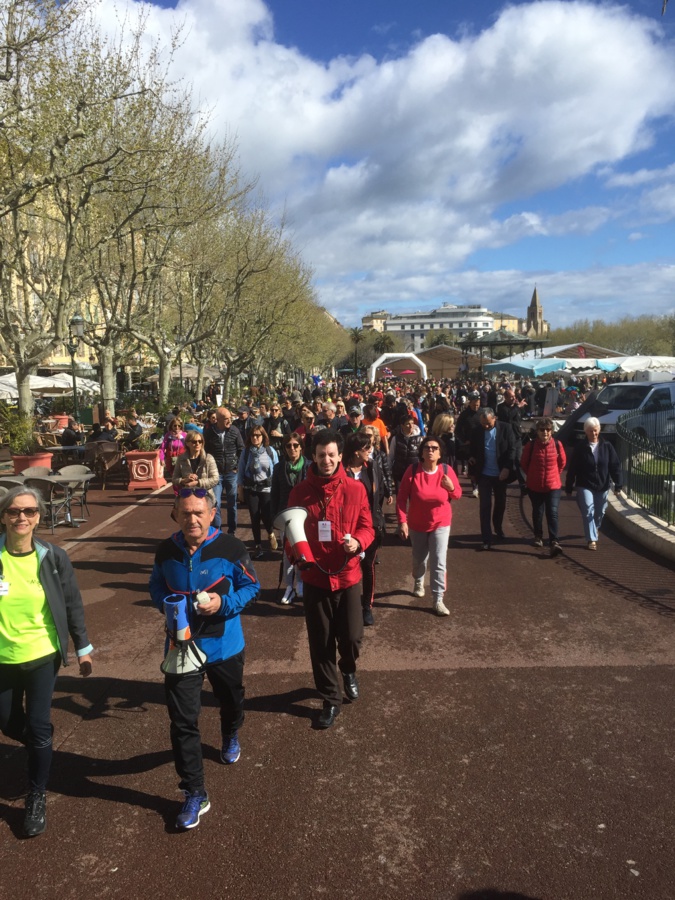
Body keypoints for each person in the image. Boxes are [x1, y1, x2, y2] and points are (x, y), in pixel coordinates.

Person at [149, 490, 259, 830]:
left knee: (230, 699)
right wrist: (166, 608)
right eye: (185, 514)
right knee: (182, 721)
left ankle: (230, 733)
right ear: (175, 516)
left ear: (212, 514)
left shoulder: (230, 548)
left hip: (224, 646)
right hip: (182, 648)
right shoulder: (166, 550)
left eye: (198, 513)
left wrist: (222, 605)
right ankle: (194, 792)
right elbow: (155, 586)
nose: (192, 520)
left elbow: (252, 586)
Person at [0, 486, 93, 837]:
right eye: (13, 511)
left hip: (41, 654)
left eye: (29, 511)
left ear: (39, 516)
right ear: (3, 516)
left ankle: (35, 794)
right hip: (2, 658)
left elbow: (71, 603)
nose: (21, 518)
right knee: (8, 724)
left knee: (38, 727)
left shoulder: (53, 557)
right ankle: (42, 743)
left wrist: (82, 645)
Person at [287, 431, 374, 729]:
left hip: (348, 575)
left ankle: (348, 669)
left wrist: (359, 543)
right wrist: (295, 555)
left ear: (340, 456)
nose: (326, 460)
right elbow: (290, 533)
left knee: (351, 638)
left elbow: (367, 526)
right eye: (321, 454)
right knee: (320, 643)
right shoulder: (299, 492)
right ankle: (330, 699)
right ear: (314, 456)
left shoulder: (355, 489)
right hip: (315, 579)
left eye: (331, 454)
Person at [396, 435, 462, 617]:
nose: (430, 450)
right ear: (422, 452)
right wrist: (402, 521)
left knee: (439, 560)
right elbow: (401, 499)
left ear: (440, 453)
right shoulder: (413, 470)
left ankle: (438, 598)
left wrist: (451, 488)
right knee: (419, 558)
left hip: (441, 522)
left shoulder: (447, 471)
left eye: (434, 448)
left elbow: (457, 495)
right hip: (417, 524)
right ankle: (418, 578)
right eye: (427, 448)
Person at [344, 432, 393, 626]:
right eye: (367, 448)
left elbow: (378, 495)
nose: (371, 451)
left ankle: (367, 607)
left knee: (368, 567)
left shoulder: (373, 467)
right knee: (347, 566)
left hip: (369, 527)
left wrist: (376, 521)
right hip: (347, 529)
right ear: (356, 451)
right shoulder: (342, 470)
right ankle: (347, 605)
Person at [565, 417, 623, 550]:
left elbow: (615, 466)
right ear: (586, 432)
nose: (594, 434)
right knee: (588, 510)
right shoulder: (580, 447)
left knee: (600, 512)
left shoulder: (607, 446)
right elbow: (573, 467)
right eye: (590, 431)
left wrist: (618, 485)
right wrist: (569, 486)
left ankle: (595, 528)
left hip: (602, 485)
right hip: (585, 484)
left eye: (596, 431)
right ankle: (591, 539)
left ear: (599, 430)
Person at [469, 408, 516, 551]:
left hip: (501, 474)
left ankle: (498, 526)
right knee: (485, 506)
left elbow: (512, 449)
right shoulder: (477, 431)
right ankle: (486, 538)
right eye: (483, 424)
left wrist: (507, 468)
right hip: (484, 475)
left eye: (488, 424)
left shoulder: (506, 428)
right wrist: (471, 458)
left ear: (494, 418)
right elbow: (472, 450)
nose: (486, 426)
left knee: (500, 504)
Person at [270, 433, 309, 604]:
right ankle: (288, 586)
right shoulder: (279, 468)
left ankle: (300, 583)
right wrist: (272, 522)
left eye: (295, 445)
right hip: (284, 516)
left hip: (305, 517)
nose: (292, 448)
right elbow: (274, 495)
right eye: (288, 446)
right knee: (287, 554)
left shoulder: (309, 466)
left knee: (302, 552)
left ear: (301, 446)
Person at [520, 418, 566, 556]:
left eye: (548, 430)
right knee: (538, 512)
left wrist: (554, 475)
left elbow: (562, 463)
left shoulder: (558, 444)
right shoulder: (531, 445)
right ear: (537, 431)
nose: (545, 432)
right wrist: (533, 475)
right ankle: (538, 536)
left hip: (553, 486)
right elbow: (524, 463)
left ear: (551, 431)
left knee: (552, 512)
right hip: (535, 486)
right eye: (542, 430)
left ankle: (554, 541)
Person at [237, 425, 279, 559]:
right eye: (253, 435)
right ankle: (258, 546)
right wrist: (240, 489)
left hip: (267, 489)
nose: (255, 438)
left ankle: (270, 532)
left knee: (266, 515)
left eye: (258, 435)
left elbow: (276, 469)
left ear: (263, 437)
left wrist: (277, 488)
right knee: (254, 516)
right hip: (251, 489)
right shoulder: (246, 452)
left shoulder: (270, 451)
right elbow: (241, 469)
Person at [203, 407, 244, 533]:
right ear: (218, 420)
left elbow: (241, 448)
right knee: (216, 503)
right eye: (226, 419)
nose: (229, 421)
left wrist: (237, 466)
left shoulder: (234, 431)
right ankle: (217, 531)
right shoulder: (209, 433)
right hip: (216, 474)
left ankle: (232, 530)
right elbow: (205, 451)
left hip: (231, 473)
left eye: (230, 418)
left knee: (232, 504)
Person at [172, 432, 220, 500]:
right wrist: (184, 480)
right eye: (194, 441)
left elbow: (215, 479)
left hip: (205, 496)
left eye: (200, 441)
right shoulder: (181, 459)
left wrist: (198, 483)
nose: (197, 444)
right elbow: (174, 479)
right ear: (187, 443)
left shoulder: (208, 458)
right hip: (187, 497)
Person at [388, 414, 423, 488]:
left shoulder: (420, 439)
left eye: (412, 423)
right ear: (402, 426)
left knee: (414, 497)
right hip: (399, 473)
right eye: (408, 424)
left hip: (415, 472)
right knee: (400, 497)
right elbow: (391, 456)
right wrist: (389, 472)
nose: (411, 426)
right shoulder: (396, 439)